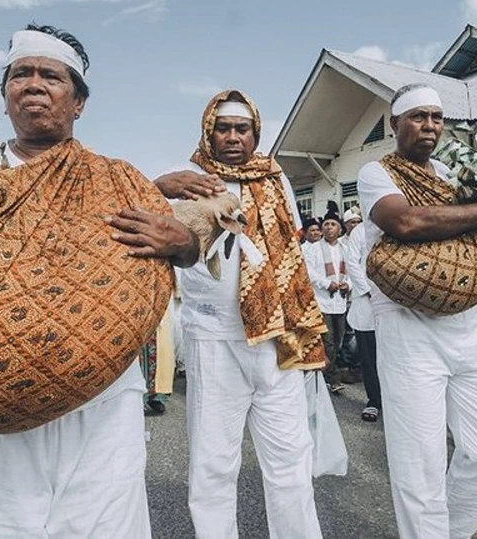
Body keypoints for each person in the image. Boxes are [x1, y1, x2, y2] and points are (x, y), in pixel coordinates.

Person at [0, 24, 198, 538]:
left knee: (99, 524)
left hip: (101, 402)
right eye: (21, 75)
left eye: (51, 76)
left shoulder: (115, 178)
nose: (33, 84)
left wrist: (183, 242)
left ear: (78, 102)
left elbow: (173, 255)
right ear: (6, 95)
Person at [357, 83, 477, 538]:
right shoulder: (375, 172)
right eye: (418, 116)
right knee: (418, 463)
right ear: (395, 123)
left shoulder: (452, 172)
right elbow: (403, 221)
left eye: (437, 118)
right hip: (406, 325)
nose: (429, 126)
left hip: (466, 323)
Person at [157, 89, 326, 538]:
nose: (232, 137)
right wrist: (157, 188)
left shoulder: (276, 179)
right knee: (214, 463)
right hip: (214, 336)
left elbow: (290, 250)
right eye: (223, 128)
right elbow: (164, 234)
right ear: (208, 129)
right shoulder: (188, 175)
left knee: (291, 458)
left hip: (276, 335)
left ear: (255, 132)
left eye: (242, 128)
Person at [305, 208, 350, 391]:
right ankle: (331, 378)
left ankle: (323, 374)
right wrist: (326, 284)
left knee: (338, 341)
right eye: (326, 225)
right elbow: (309, 272)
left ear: (340, 229)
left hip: (340, 302)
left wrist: (349, 284)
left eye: (333, 224)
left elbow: (353, 270)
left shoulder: (345, 249)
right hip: (322, 301)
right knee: (327, 341)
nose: (329, 228)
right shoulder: (313, 249)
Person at [344, 217, 381, 422]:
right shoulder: (360, 231)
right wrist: (368, 291)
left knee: (396, 358)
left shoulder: (395, 224)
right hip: (367, 302)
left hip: (394, 302)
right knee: (369, 357)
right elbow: (352, 263)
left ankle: (395, 401)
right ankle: (374, 400)